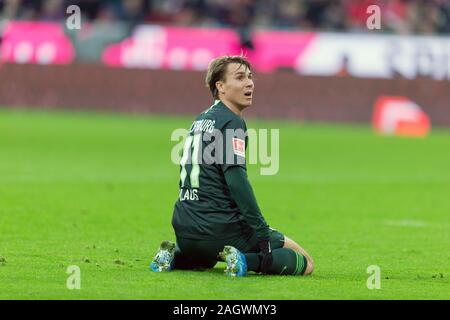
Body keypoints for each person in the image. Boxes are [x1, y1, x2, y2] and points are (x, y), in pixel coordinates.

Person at [150, 55, 314, 277]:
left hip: (185, 232)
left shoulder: (199, 120)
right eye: (239, 77)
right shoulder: (231, 121)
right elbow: (237, 181)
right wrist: (262, 231)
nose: (249, 83)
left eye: (249, 77)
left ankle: (175, 256)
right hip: (219, 230)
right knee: (305, 261)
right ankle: (244, 260)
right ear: (221, 87)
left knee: (205, 259)